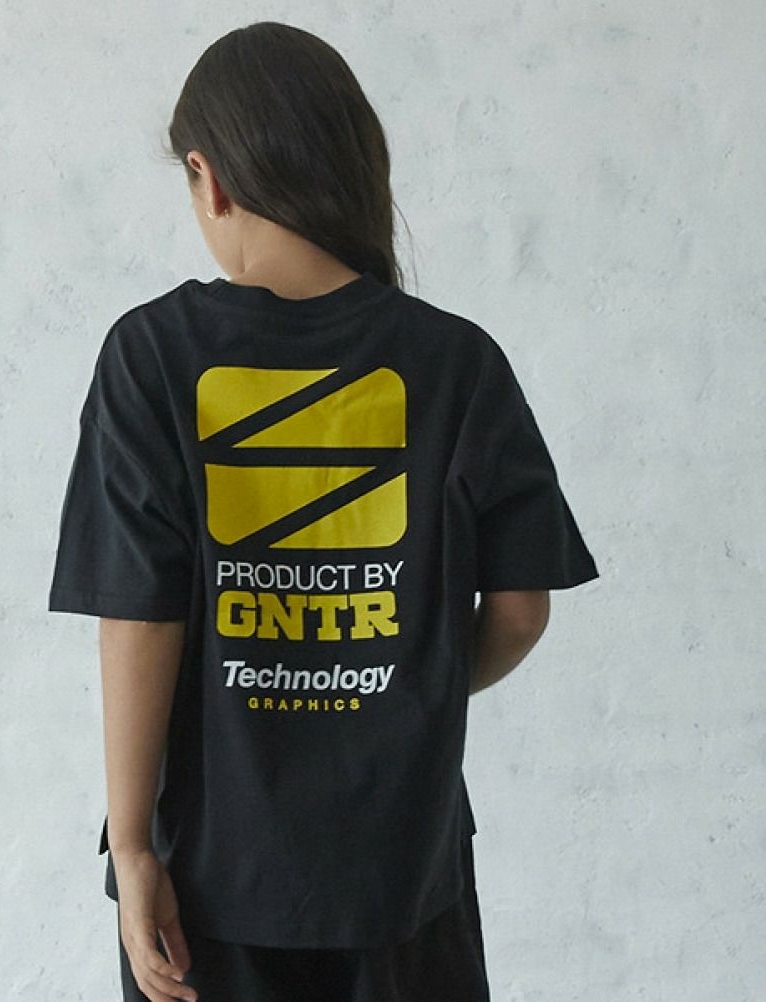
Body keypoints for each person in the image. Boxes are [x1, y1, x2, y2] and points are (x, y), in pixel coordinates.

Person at [48, 20, 599, 1002]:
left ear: (209, 178)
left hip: (210, 877)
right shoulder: (458, 363)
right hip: (405, 870)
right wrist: (401, 685)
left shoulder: (152, 356)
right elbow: (519, 612)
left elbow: (139, 615)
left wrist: (131, 848)